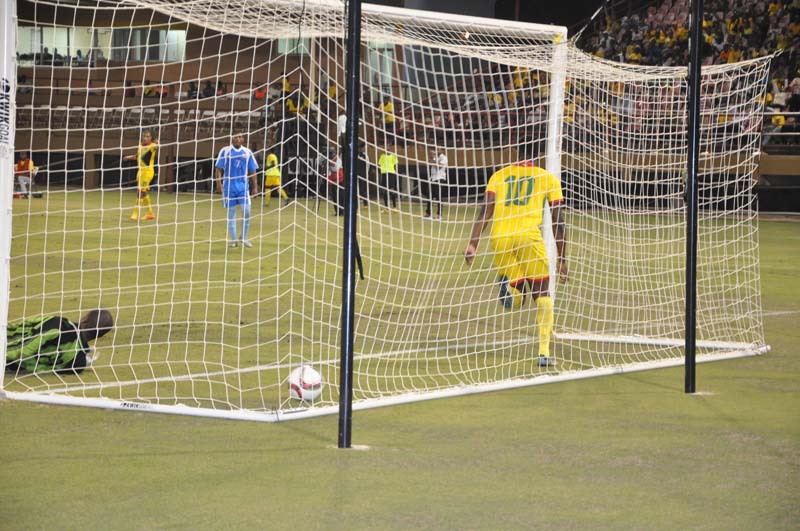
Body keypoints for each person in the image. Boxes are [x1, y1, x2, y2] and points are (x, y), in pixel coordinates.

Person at [463, 151, 568, 367]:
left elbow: (485, 210)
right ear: (539, 155)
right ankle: (544, 352)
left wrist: (473, 244)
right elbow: (558, 220)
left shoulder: (499, 176)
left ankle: (513, 292)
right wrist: (563, 259)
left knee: (518, 293)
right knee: (542, 294)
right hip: (527, 238)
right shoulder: (547, 177)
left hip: (499, 238)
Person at [5, 309, 113, 375]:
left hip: (6, 344)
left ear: (84, 318)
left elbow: (29, 343)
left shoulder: (59, 325)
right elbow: (50, 369)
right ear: (100, 336)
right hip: (14, 366)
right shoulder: (79, 363)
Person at [215, 133, 259, 248]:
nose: (237, 139)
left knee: (247, 211)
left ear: (243, 139)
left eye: (239, 137)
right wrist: (219, 184)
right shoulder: (225, 151)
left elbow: (253, 170)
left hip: (243, 188)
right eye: (235, 137)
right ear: (232, 139)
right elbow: (218, 169)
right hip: (229, 187)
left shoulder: (247, 152)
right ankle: (234, 240)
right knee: (231, 214)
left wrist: (255, 187)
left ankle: (243, 237)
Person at [124, 130, 158, 221]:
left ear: (151, 138)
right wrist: (128, 157)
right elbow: (137, 156)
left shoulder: (153, 146)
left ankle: (135, 213)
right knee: (144, 192)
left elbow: (157, 147)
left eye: (148, 136)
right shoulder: (140, 145)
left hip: (148, 172)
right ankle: (150, 213)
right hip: (140, 172)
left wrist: (157, 143)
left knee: (140, 192)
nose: (145, 138)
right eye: (144, 136)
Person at [425, 148, 447, 220]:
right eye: (436, 149)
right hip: (433, 178)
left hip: (440, 179)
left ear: (442, 150)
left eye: (439, 149)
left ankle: (439, 215)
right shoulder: (436, 157)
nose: (437, 150)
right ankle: (428, 214)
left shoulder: (444, 158)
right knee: (429, 196)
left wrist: (433, 159)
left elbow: (439, 167)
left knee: (438, 197)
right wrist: (431, 157)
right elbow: (429, 162)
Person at [378, 145, 399, 211]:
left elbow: (395, 165)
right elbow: (379, 165)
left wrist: (394, 173)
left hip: (391, 174)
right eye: (386, 149)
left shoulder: (393, 156)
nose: (388, 150)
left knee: (392, 190)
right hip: (384, 174)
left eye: (389, 149)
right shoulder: (382, 156)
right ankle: (387, 207)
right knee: (385, 191)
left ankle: (394, 206)